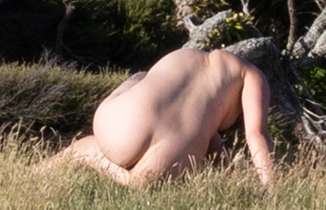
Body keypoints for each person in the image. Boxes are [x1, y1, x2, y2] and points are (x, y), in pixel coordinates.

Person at [57, 40, 282, 192]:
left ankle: (45, 167)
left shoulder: (192, 56)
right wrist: (271, 190)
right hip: (165, 134)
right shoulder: (252, 74)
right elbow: (257, 135)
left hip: (117, 118)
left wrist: (230, 174)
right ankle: (89, 153)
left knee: (139, 81)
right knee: (143, 186)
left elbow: (210, 139)